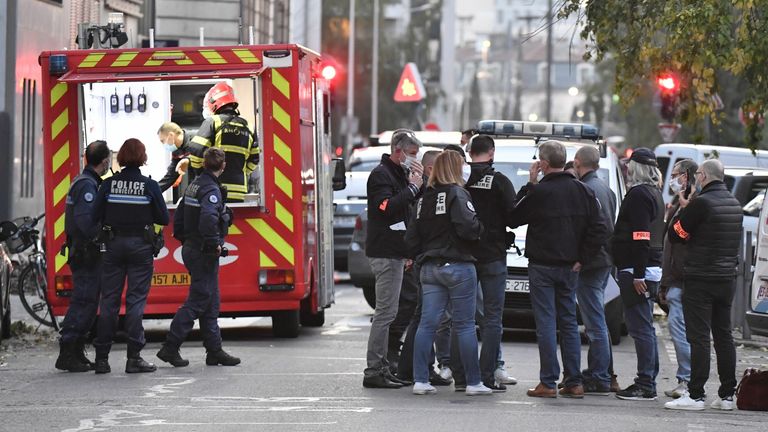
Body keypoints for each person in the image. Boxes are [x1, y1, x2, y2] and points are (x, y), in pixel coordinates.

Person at [509, 141, 608, 399]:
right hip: (570, 267)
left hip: (542, 266)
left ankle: (548, 382)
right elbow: (601, 228)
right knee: (569, 323)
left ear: (542, 164)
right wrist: (583, 258)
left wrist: (530, 184)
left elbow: (512, 218)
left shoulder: (540, 192)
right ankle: (574, 381)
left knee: (545, 323)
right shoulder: (583, 191)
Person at [405, 150, 491, 396]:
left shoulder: (422, 200)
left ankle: (420, 380)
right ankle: (473, 382)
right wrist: (479, 229)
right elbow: (468, 227)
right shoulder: (458, 193)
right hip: (458, 266)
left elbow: (411, 238)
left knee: (426, 324)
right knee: (464, 325)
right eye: (462, 164)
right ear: (454, 169)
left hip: (430, 268)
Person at [665, 159, 742, 411]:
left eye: (698, 174)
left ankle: (696, 394)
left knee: (698, 337)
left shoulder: (702, 203)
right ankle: (727, 395)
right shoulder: (734, 203)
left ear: (706, 176)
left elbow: (678, 234)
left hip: (700, 277)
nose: (696, 177)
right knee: (723, 335)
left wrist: (685, 209)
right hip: (726, 278)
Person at [157, 147, 240, 368]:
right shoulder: (210, 189)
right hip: (203, 251)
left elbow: (181, 215)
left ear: (204, 164)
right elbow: (208, 219)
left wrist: (186, 240)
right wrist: (214, 244)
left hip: (193, 248)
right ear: (223, 166)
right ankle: (170, 347)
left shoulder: (193, 185)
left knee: (211, 301)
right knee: (198, 300)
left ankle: (214, 351)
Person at [91, 138, 169, 374]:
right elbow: (163, 218)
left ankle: (102, 359)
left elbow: (95, 214)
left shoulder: (108, 184)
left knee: (109, 302)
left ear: (121, 157)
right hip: (140, 247)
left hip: (113, 246)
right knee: (135, 300)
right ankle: (133, 358)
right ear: (143, 157)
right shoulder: (149, 186)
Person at [363, 129, 424, 389]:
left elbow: (406, 210)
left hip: (395, 251)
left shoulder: (397, 173)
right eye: (411, 154)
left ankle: (383, 367)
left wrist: (415, 187)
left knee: (390, 312)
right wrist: (412, 188)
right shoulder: (381, 174)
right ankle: (374, 370)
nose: (414, 159)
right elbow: (386, 208)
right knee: (385, 314)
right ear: (398, 150)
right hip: (385, 252)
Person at [463, 134, 518, 391]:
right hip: (493, 255)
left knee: (462, 319)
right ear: (492, 152)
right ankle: (487, 375)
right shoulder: (499, 181)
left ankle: (463, 377)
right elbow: (515, 216)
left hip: (463, 256)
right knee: (493, 319)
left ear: (470, 151)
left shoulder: (460, 179)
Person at [611, 147, 664, 401]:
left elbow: (641, 236)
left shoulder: (638, 195)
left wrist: (638, 275)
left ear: (635, 168)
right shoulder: (655, 193)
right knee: (646, 328)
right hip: (648, 267)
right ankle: (648, 379)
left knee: (640, 329)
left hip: (637, 269)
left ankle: (645, 383)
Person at [55, 140, 112, 373]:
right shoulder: (87, 186)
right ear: (105, 161)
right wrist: (102, 238)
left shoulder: (87, 182)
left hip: (84, 252)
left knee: (87, 302)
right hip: (86, 254)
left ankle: (76, 351)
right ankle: (68, 351)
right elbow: (86, 222)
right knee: (84, 301)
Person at [395, 150, 449, 385]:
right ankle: (419, 369)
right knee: (425, 318)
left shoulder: (425, 191)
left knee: (422, 317)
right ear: (430, 169)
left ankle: (413, 367)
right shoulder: (427, 193)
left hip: (421, 258)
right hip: (426, 260)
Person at [572, 146, 617, 394]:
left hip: (592, 263)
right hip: (603, 260)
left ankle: (599, 375)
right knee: (597, 319)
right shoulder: (606, 189)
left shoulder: (586, 189)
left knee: (594, 323)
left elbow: (595, 229)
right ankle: (601, 372)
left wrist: (581, 258)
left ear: (578, 163)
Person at [659, 159, 697, 399]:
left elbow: (683, 236)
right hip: (675, 278)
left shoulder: (694, 205)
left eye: (675, 175)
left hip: (683, 280)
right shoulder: (681, 204)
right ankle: (687, 379)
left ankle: (688, 380)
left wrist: (683, 211)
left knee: (680, 329)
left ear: (686, 176)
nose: (672, 179)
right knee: (680, 329)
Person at [188, 82, 260, 203]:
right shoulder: (249, 126)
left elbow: (196, 150)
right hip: (239, 191)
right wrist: (241, 173)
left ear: (213, 104)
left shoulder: (213, 122)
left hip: (214, 188)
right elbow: (255, 159)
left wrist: (201, 173)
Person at [156, 122, 195, 194]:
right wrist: (152, 191)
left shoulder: (197, 139)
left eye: (162, 141)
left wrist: (188, 159)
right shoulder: (177, 150)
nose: (163, 144)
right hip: (194, 186)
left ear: (171, 135)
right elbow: (171, 175)